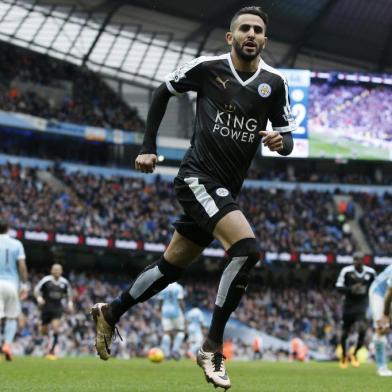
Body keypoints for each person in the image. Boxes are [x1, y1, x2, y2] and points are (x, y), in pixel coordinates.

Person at [91, 6, 295, 389]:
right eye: (244, 29)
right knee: (247, 249)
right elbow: (162, 91)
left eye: (258, 30)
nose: (251, 34)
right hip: (197, 179)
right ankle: (212, 347)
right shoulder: (208, 67)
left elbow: (288, 142)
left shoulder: (275, 83)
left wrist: (281, 142)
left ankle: (110, 312)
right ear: (230, 37)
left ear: (265, 40)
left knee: (171, 267)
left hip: (224, 190)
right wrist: (148, 145)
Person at [335, 252, 376, 369]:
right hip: (348, 306)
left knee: (362, 329)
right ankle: (344, 355)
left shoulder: (370, 272)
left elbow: (376, 286)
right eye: (354, 259)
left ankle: (354, 354)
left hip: (362, 306)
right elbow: (338, 287)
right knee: (344, 333)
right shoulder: (346, 271)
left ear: (363, 261)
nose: (355, 262)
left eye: (358, 260)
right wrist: (351, 289)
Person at [0, 219, 29, 361]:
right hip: (12, 284)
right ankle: (7, 344)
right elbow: (22, 266)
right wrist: (24, 285)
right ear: (8, 228)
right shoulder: (17, 244)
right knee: (11, 317)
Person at [34, 264, 73, 359]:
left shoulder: (64, 282)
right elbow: (36, 290)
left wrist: (70, 304)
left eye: (58, 270)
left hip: (57, 308)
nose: (56, 271)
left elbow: (69, 294)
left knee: (56, 328)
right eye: (54, 270)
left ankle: (52, 351)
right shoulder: (46, 280)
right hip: (46, 308)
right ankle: (45, 345)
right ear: (51, 271)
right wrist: (39, 299)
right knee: (43, 331)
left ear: (61, 271)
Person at [369, 264, 392, 376]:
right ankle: (381, 367)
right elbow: (389, 292)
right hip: (379, 293)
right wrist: (385, 315)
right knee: (382, 327)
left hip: (389, 295)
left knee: (386, 327)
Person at [157, 282, 186, 360]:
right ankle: (175, 350)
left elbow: (160, 301)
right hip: (176, 311)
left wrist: (159, 310)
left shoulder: (163, 286)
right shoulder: (178, 287)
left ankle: (166, 354)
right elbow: (180, 300)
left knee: (167, 333)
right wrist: (184, 312)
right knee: (181, 331)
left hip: (165, 311)